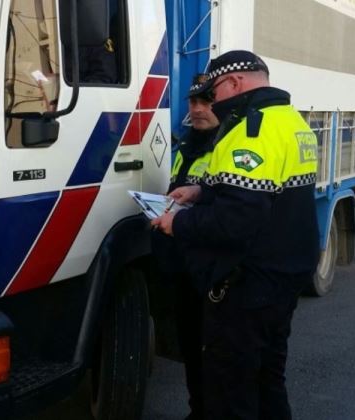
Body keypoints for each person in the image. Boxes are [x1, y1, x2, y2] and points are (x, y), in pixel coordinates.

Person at [152, 50, 320, 419]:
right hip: (285, 274)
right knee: (268, 380)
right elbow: (265, 193)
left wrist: (176, 223)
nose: (213, 102)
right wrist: (199, 192)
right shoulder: (291, 121)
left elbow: (236, 221)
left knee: (232, 391)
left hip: (249, 285)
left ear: (234, 82)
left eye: (214, 92)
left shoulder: (251, 129)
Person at [152, 73, 219, 420]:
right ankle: (198, 411)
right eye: (193, 102)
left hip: (209, 268)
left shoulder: (226, 147)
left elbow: (225, 210)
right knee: (191, 348)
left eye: (206, 102)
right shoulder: (187, 145)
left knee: (212, 351)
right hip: (183, 263)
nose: (197, 109)